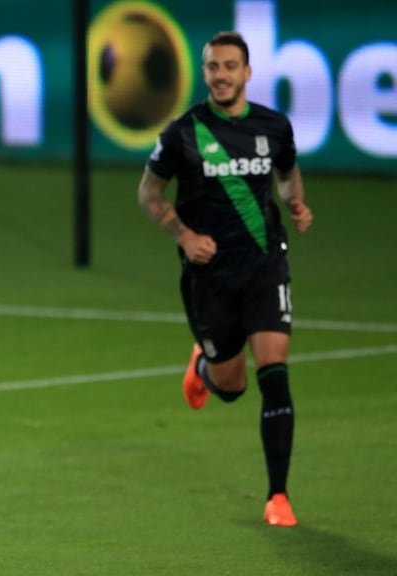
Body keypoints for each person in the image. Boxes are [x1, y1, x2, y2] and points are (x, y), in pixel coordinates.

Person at [137, 31, 314, 527]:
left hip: (264, 266)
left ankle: (277, 496)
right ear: (205, 72)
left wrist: (294, 203)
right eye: (213, 66)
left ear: (247, 73)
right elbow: (149, 193)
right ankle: (203, 367)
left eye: (230, 66)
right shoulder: (183, 133)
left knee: (274, 372)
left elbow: (286, 173)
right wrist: (184, 236)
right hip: (210, 276)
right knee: (231, 386)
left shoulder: (273, 126)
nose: (221, 75)